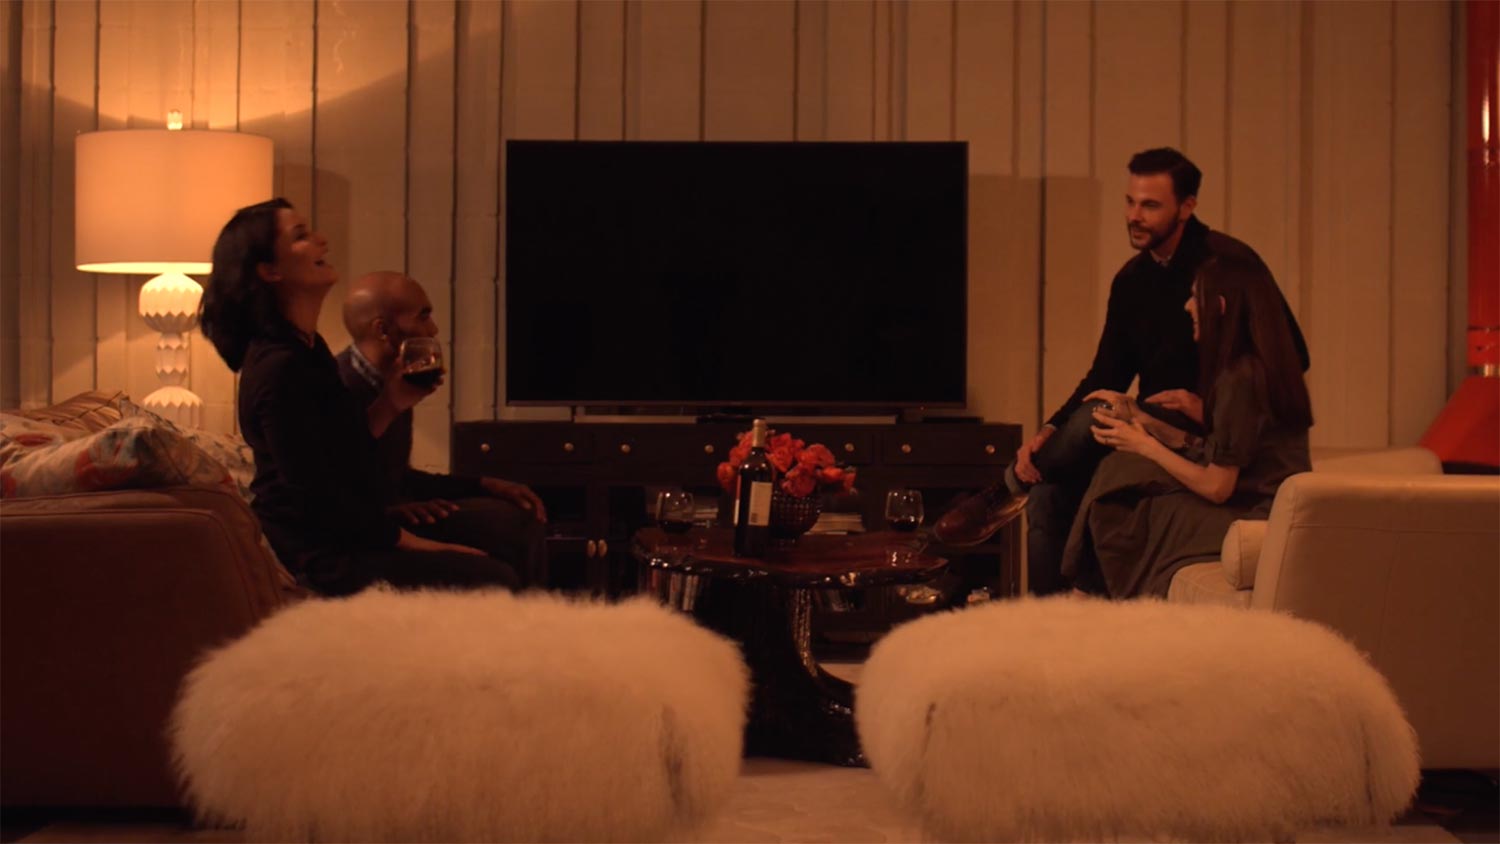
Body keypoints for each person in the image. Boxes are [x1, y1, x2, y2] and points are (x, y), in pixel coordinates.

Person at [932, 147, 1309, 596]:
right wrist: (1048, 431)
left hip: (1209, 429)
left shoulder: (1225, 265)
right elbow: (1105, 374)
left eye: (1150, 205)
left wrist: (1209, 408)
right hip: (1155, 420)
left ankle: (1004, 492)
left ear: (1186, 206)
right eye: (1130, 202)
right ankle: (1048, 619)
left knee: (1102, 431)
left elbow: (1285, 355)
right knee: (1053, 483)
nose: (1134, 216)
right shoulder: (1132, 279)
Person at [198, 198, 522, 596]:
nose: (321, 240)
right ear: (270, 270)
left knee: (505, 529)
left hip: (345, 533)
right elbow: (316, 494)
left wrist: (392, 401)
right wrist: (409, 541)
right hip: (319, 555)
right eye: (301, 236)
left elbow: (343, 452)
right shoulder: (280, 367)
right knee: (493, 578)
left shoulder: (308, 348)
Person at [1059, 250, 1313, 597]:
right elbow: (1224, 452)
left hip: (1254, 515)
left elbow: (1218, 487)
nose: (1188, 306)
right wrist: (1143, 419)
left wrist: (1145, 445)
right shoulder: (1257, 366)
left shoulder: (1240, 378)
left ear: (1219, 307)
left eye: (1195, 297)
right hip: (1254, 502)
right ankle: (1086, 600)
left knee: (1121, 506)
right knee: (1122, 470)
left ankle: (1090, 603)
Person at [336, 270, 549, 588]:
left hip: (396, 513)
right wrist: (391, 510)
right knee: (500, 556)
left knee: (518, 516)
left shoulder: (393, 379)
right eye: (423, 316)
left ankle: (536, 614)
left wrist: (485, 484)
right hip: (365, 534)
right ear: (382, 330)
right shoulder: (339, 388)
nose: (433, 329)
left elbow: (395, 475)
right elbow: (335, 487)